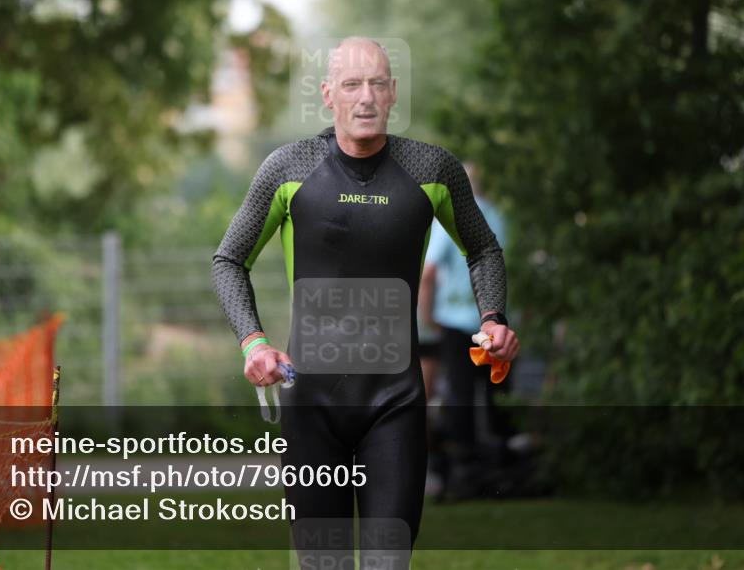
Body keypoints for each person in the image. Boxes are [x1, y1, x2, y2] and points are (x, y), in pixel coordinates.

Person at [211, 37, 520, 565]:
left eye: (377, 82)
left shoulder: (433, 170)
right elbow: (228, 260)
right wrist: (253, 342)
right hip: (311, 404)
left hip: (395, 404)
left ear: (393, 92)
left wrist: (493, 317)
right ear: (329, 94)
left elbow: (483, 248)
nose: (366, 97)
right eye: (352, 84)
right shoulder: (288, 168)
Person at [419, 163, 516, 500]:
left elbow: (428, 273)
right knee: (497, 396)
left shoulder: (449, 221)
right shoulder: (502, 217)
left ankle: (463, 471)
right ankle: (503, 467)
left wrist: (428, 314)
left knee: (458, 397)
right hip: (499, 323)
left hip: (458, 322)